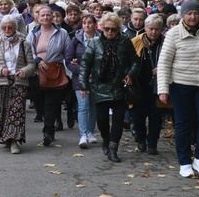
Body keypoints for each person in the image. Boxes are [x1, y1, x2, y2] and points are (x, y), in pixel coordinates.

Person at [157, 0, 199, 178]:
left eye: (195, 13)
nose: (193, 17)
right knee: (183, 123)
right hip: (181, 84)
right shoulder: (174, 34)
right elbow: (164, 63)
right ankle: (184, 161)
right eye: (189, 13)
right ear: (183, 15)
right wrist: (163, 89)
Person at [78, 13, 138, 163]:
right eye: (106, 29)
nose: (109, 32)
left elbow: (135, 61)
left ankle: (113, 148)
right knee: (102, 120)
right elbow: (85, 65)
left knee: (118, 120)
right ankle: (106, 138)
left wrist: (130, 73)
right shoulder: (94, 43)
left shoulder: (125, 42)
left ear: (118, 29)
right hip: (100, 86)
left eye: (113, 29)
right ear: (102, 28)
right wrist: (83, 85)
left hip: (119, 86)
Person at [0, 15, 36, 154]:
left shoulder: (23, 43)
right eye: (4, 27)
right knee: (6, 110)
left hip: (19, 81)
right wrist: (1, 70)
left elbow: (31, 65)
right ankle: (6, 137)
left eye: (10, 27)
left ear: (15, 27)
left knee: (17, 110)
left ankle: (14, 141)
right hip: (3, 81)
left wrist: (24, 71)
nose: (7, 29)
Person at [28, 6, 71, 147]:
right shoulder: (33, 33)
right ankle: (49, 126)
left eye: (48, 15)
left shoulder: (62, 33)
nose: (46, 18)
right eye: (43, 15)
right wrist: (37, 60)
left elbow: (68, 52)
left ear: (52, 17)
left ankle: (48, 132)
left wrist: (67, 69)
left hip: (55, 73)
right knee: (40, 103)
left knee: (51, 104)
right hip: (37, 73)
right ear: (38, 18)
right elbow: (28, 50)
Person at [130, 13, 165, 155]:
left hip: (158, 86)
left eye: (157, 29)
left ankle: (152, 143)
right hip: (139, 86)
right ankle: (141, 140)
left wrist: (162, 68)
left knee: (156, 117)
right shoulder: (136, 42)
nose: (154, 32)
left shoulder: (166, 43)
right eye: (151, 29)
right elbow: (129, 61)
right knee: (138, 116)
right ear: (145, 28)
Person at [65, 14, 99, 149]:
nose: (87, 25)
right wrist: (81, 68)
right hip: (80, 78)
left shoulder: (100, 38)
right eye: (84, 22)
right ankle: (83, 134)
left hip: (96, 78)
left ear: (95, 24)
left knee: (93, 106)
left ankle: (91, 131)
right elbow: (68, 61)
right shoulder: (76, 39)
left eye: (90, 23)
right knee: (83, 106)